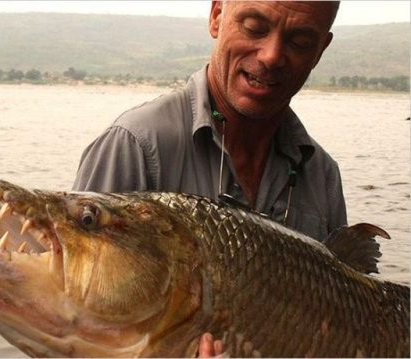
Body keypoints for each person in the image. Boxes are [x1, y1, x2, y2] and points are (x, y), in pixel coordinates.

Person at [73, 1, 344, 356]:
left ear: (321, 50)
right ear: (216, 16)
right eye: (254, 26)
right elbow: (81, 326)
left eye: (300, 41)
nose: (272, 55)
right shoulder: (134, 144)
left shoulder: (322, 174)